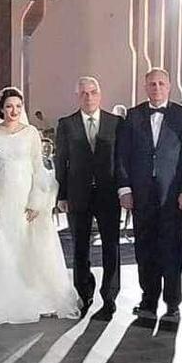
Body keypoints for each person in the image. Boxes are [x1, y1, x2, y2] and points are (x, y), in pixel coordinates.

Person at [0, 87, 79, 323]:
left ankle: (29, 293)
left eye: (18, 106)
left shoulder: (30, 133)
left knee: (25, 242)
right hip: (1, 195)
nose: (14, 111)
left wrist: (36, 200)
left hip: (24, 196)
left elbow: (38, 168)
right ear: (1, 108)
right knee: (0, 240)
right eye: (9, 106)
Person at [116, 68, 182, 324]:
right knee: (144, 249)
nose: (157, 88)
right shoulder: (133, 115)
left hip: (172, 195)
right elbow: (122, 155)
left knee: (172, 249)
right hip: (141, 195)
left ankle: (173, 304)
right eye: (152, 84)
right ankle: (148, 300)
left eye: (161, 83)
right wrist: (125, 189)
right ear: (145, 87)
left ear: (169, 86)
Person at [55, 76, 122, 321]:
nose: (89, 97)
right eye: (83, 93)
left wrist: (124, 190)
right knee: (80, 247)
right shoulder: (66, 124)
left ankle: (110, 296)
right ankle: (84, 293)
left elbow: (122, 160)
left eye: (93, 92)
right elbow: (60, 161)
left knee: (111, 246)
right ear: (77, 96)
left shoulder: (116, 123)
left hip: (109, 194)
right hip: (78, 195)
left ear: (100, 94)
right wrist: (62, 195)